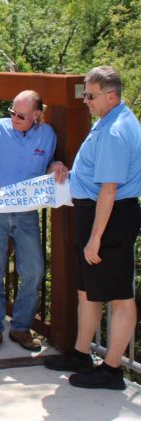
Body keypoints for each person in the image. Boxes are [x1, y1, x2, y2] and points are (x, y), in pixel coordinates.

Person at [44, 66, 141, 390]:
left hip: (109, 220)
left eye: (90, 95)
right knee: (88, 292)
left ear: (111, 96)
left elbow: (109, 189)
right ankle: (81, 354)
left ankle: (112, 370)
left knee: (119, 297)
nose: (84, 100)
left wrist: (95, 239)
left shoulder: (115, 131)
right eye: (84, 94)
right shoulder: (107, 121)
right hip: (93, 214)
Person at [0, 90, 68, 352]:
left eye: (21, 115)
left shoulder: (48, 135)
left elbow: (46, 167)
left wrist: (56, 166)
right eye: (12, 111)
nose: (14, 117)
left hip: (27, 213)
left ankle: (21, 327)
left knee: (34, 271)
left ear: (37, 115)